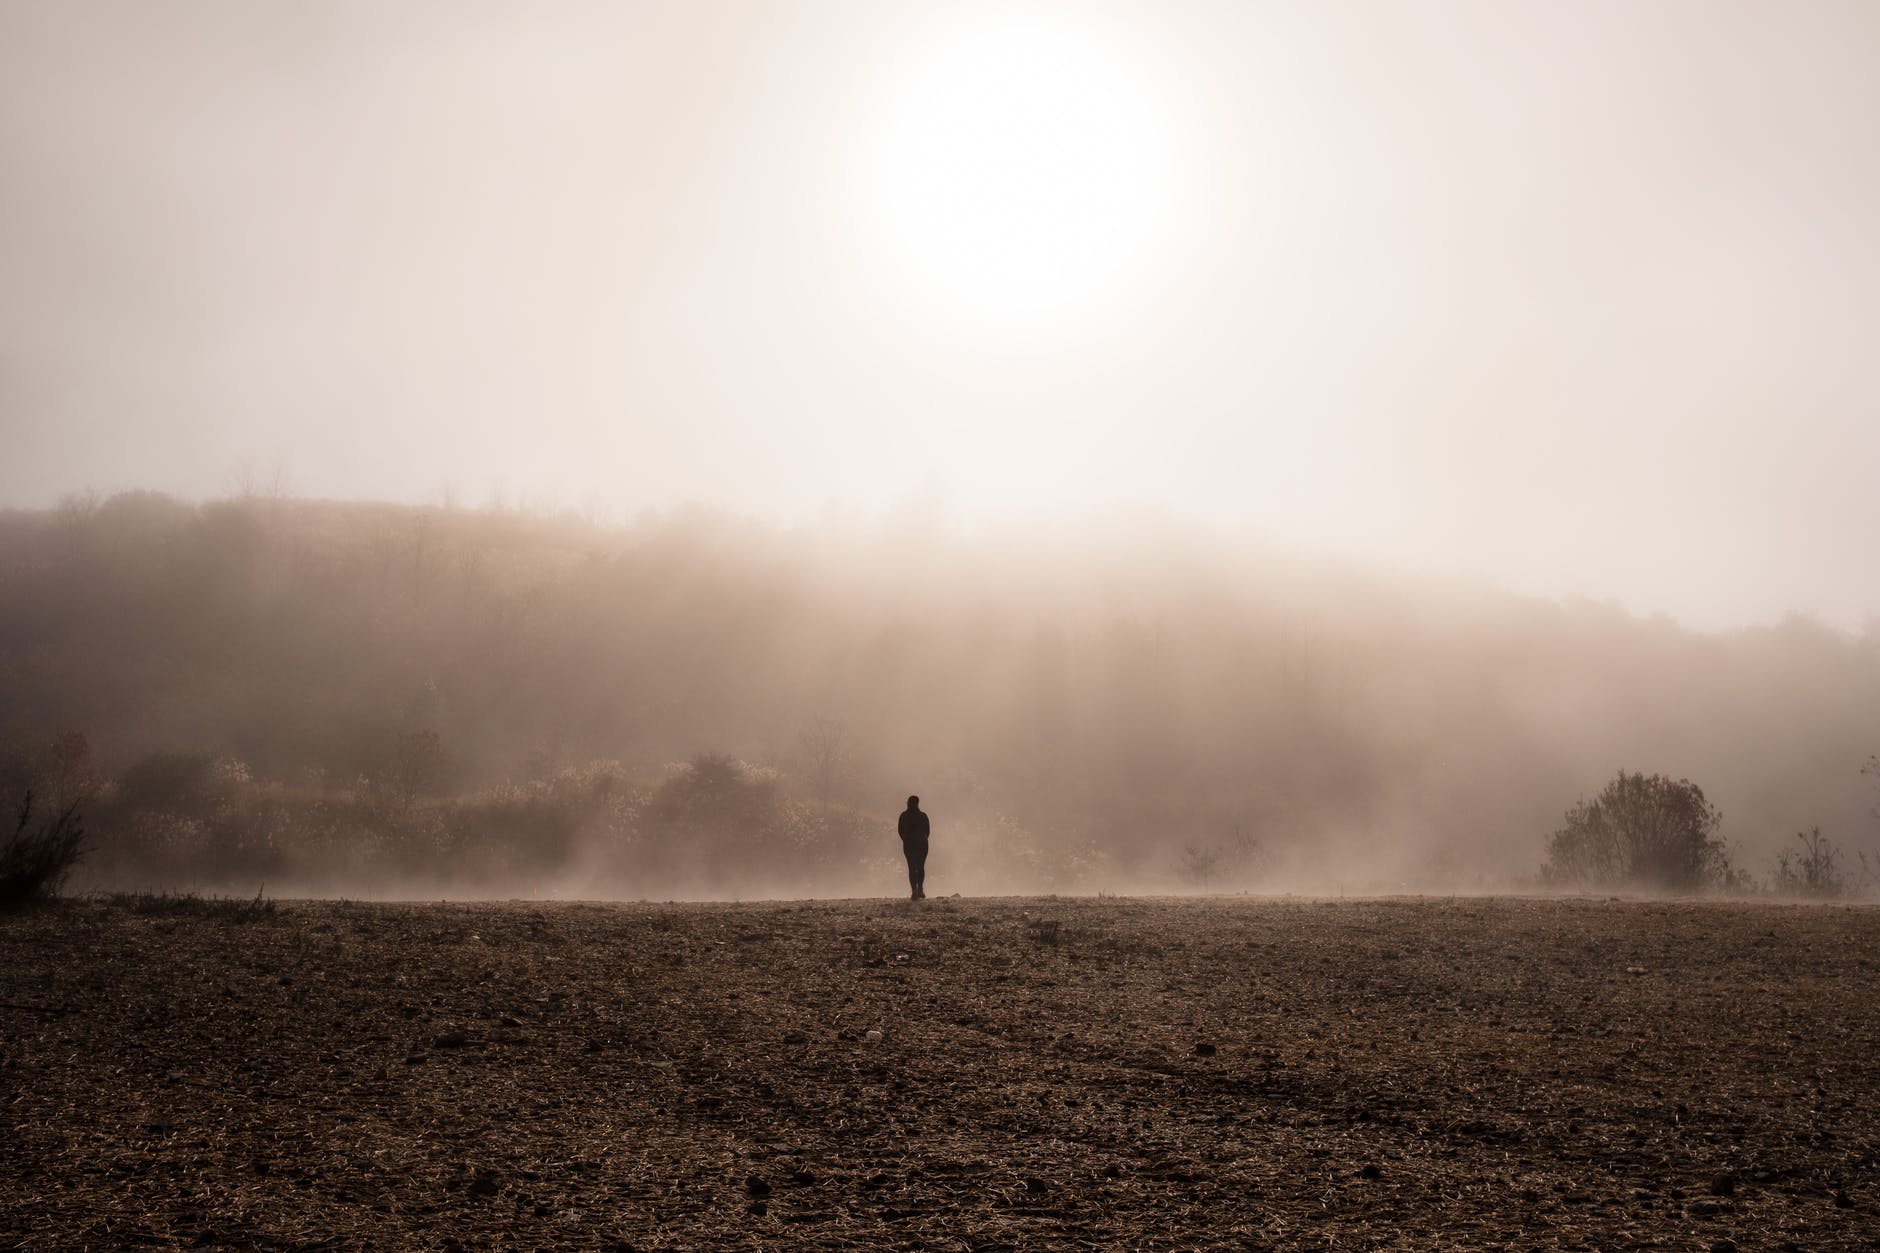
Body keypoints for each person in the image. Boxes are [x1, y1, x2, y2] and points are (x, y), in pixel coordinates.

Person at [897, 795, 929, 900]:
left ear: (908, 803)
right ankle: (920, 888)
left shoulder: (904, 816)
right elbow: (927, 831)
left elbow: (900, 831)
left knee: (912, 867)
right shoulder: (923, 816)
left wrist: (906, 840)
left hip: (909, 844)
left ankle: (914, 891)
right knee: (920, 867)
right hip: (922, 844)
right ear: (917, 803)